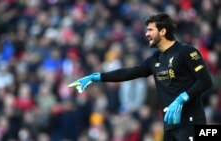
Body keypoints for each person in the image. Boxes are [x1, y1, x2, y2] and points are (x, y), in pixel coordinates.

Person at [68, 12, 213, 141]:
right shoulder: (154, 60)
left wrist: (182, 98)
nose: (146, 34)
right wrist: (96, 77)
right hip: (170, 126)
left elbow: (206, 80)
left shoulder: (186, 51)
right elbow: (129, 73)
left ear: (162, 31)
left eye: (150, 30)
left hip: (191, 122)